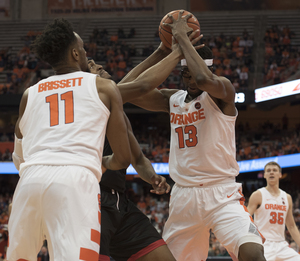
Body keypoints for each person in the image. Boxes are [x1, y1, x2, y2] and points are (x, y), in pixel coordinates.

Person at [128, 11, 266, 261]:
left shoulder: (222, 90)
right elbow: (126, 90)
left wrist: (183, 39)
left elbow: (204, 78)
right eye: (185, 73)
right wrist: (163, 51)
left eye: (193, 71)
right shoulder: (173, 99)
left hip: (221, 193)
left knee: (253, 253)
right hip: (184, 197)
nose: (191, 79)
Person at [7, 18, 131, 261]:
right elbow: (124, 157)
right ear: (75, 53)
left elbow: (19, 158)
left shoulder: (29, 94)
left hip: (30, 179)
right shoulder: (104, 87)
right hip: (76, 179)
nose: (85, 52)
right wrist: (103, 163)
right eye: (83, 48)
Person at [87, 30, 202, 260]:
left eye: (100, 65)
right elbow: (140, 86)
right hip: (93, 200)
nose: (99, 67)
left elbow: (138, 159)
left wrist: (151, 177)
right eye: (92, 66)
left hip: (121, 203)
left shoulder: (114, 107)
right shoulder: (90, 98)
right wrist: (177, 51)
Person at [247, 161, 300, 261]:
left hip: (281, 244)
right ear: (264, 175)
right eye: (268, 170)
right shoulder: (258, 195)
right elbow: (245, 219)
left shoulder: (287, 197)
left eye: (274, 170)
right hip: (263, 244)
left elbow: (291, 226)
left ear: (280, 175)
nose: (271, 172)